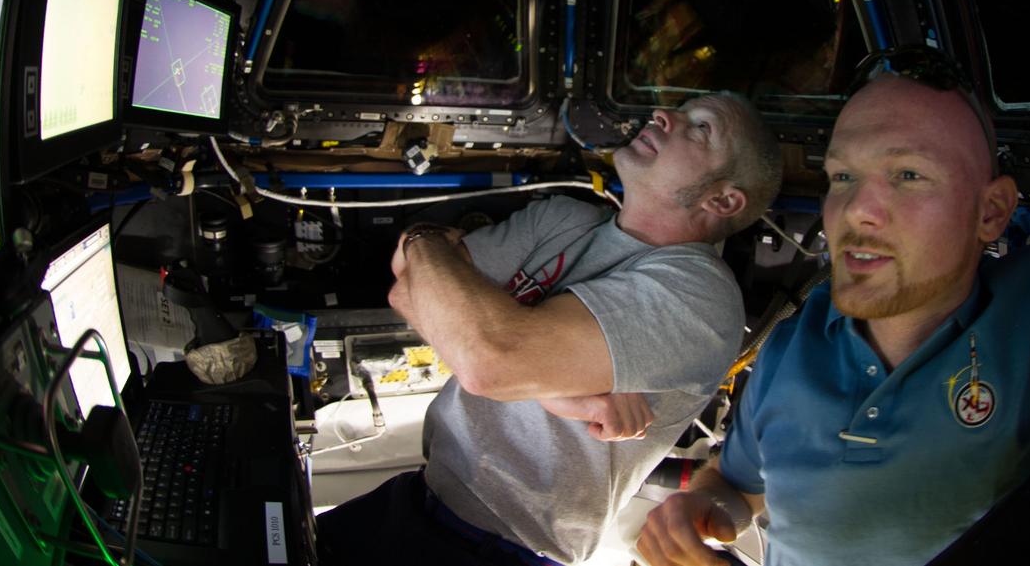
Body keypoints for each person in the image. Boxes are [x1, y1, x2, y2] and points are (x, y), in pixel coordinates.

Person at [636, 45, 1030, 566]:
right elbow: (737, 486)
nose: (856, 211)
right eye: (843, 177)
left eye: (907, 175)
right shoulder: (789, 348)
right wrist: (698, 509)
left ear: (991, 213)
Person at [316, 92, 783, 565]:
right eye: (678, 111)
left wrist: (424, 243)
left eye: (701, 128)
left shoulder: (697, 297)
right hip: (419, 494)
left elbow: (487, 360)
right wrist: (548, 390)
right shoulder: (561, 218)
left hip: (503, 548)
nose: (664, 116)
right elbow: (407, 290)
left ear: (722, 198)